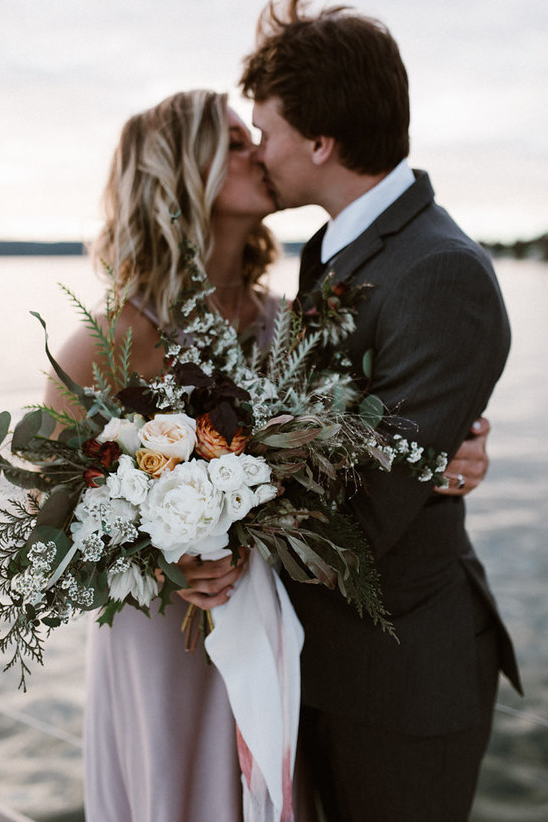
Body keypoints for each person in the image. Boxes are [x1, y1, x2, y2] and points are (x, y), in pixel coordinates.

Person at [45, 89, 492, 821]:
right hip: (166, 643)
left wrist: (456, 453)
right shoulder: (106, 341)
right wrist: (166, 559)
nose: (261, 146)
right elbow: (51, 514)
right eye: (234, 139)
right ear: (180, 169)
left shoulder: (287, 324)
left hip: (275, 631)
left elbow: (370, 442)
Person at [237, 0, 522, 822]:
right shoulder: (338, 249)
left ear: (321, 142)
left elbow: (360, 516)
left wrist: (190, 498)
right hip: (327, 663)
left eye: (267, 133)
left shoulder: (441, 273)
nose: (259, 151)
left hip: (403, 685)